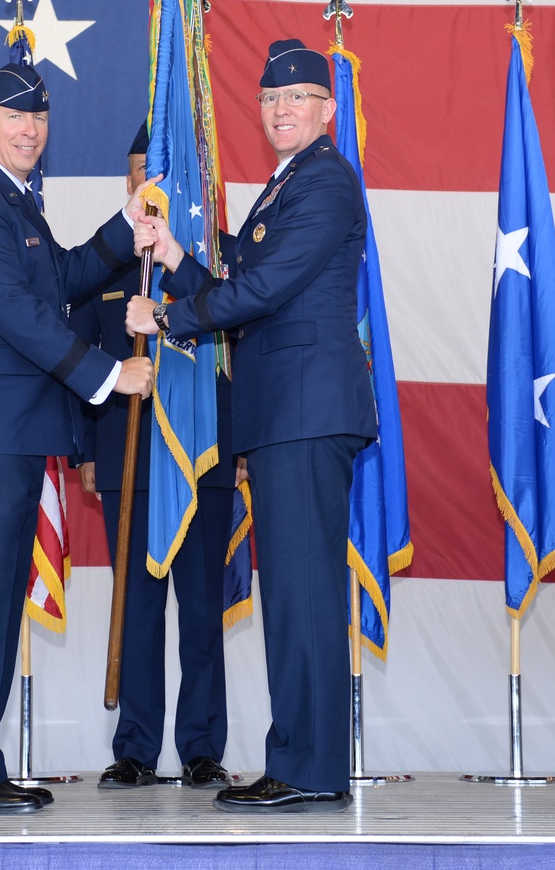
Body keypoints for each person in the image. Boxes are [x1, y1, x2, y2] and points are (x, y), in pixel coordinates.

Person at [127, 39, 377, 813]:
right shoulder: (286, 185)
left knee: (303, 595)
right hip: (283, 414)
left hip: (306, 413)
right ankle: (303, 761)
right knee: (294, 594)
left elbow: (262, 288)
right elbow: (246, 287)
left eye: (297, 97)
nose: (280, 110)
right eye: (270, 99)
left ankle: (306, 768)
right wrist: (173, 257)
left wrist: (168, 313)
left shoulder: (327, 180)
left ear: (327, 109)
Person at [0, 62, 155, 814]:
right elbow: (22, 317)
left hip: (4, 435)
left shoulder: (12, 204)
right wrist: (112, 377)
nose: (30, 130)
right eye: (14, 118)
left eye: (40, 120)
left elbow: (61, 278)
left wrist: (128, 227)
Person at [70, 122, 237, 790]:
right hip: (127, 458)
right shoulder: (101, 260)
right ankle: (135, 749)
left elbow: (241, 349)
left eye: (161, 174)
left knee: (201, 607)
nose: (150, 185)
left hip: (204, 461)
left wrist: (243, 443)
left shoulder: (211, 259)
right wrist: (84, 449)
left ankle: (201, 748)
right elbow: (77, 357)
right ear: (127, 181)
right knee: (135, 608)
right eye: (140, 171)